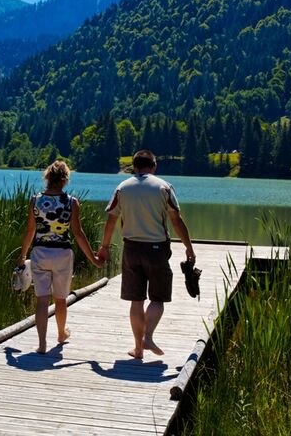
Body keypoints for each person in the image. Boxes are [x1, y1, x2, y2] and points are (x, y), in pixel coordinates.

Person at [97, 150, 195, 359]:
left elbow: (111, 220)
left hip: (131, 249)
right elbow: (176, 220)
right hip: (156, 250)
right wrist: (189, 247)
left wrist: (104, 246)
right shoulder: (163, 187)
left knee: (136, 300)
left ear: (134, 166)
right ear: (154, 165)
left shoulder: (121, 188)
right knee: (157, 298)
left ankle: (138, 348)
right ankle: (147, 336)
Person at [18, 160, 102, 354]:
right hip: (63, 253)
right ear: (65, 179)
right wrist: (93, 259)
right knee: (60, 299)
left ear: (47, 177)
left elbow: (30, 231)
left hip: (40, 252)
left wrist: (22, 256)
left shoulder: (35, 200)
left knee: (41, 300)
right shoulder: (71, 202)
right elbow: (78, 234)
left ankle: (41, 344)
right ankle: (61, 334)